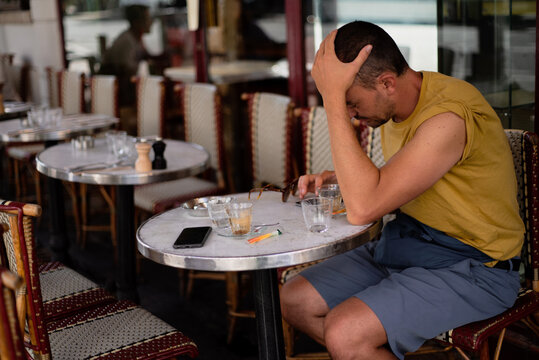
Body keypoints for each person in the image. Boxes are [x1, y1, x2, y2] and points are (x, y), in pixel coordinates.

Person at [280, 21, 524, 360]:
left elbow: (364, 209)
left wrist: (332, 101)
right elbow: (406, 176)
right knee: (294, 301)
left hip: (475, 267)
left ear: (387, 83)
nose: (351, 115)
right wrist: (343, 177)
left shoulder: (447, 117)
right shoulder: (396, 105)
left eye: (352, 103)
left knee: (344, 333)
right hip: (407, 245)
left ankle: (354, 349)